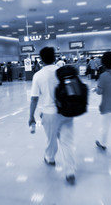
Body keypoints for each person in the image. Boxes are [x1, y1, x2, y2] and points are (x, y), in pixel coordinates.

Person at [29, 47, 76, 185]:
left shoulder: (38, 75)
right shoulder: (63, 72)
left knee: (51, 139)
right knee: (67, 142)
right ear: (55, 57)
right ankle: (70, 172)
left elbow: (34, 98)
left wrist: (31, 116)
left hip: (49, 113)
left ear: (41, 59)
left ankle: (50, 158)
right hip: (66, 112)